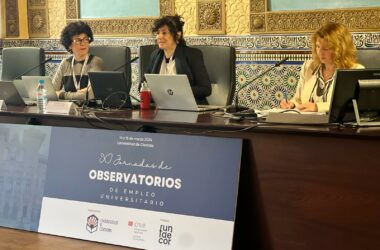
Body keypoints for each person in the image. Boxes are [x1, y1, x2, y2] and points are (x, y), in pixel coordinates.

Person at [280, 22, 364, 112]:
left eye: (326, 48)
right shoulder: (308, 67)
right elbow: (298, 100)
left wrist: (317, 107)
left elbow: (351, 106)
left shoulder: (355, 71)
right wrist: (291, 104)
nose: (320, 52)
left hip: (336, 125)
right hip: (306, 123)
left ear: (340, 49)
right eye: (318, 46)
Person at [143, 15, 211, 104]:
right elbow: (143, 85)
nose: (159, 37)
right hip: (162, 108)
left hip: (188, 107)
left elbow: (205, 89)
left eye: (164, 33)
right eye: (157, 33)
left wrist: (177, 91)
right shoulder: (155, 55)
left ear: (177, 35)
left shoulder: (192, 55)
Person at [53, 21, 104, 100]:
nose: (83, 43)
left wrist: (62, 95)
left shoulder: (95, 62)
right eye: (78, 40)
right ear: (69, 45)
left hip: (90, 110)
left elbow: (89, 94)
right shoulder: (65, 63)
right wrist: (79, 93)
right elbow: (52, 92)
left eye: (85, 39)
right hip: (68, 109)